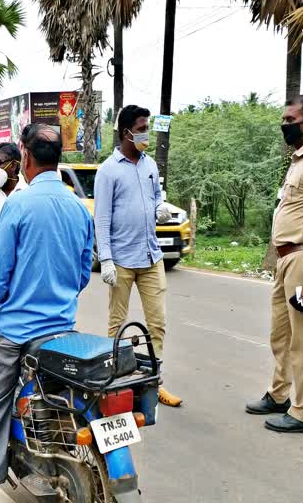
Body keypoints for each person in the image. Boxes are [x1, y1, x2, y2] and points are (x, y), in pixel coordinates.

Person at [0, 124, 94, 503]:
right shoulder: (78, 208)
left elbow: (0, 275)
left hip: (15, 331)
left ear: (24, 155)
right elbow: (83, 273)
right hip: (61, 329)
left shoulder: (17, 205)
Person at [246, 95, 303, 434]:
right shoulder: (298, 160)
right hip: (285, 260)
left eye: (289, 119)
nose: (284, 125)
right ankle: (280, 394)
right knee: (280, 336)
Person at [93, 104, 182, 408]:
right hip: (120, 260)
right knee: (117, 325)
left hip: (150, 255)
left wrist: (160, 207)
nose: (146, 132)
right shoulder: (108, 171)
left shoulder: (149, 166)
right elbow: (102, 219)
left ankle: (154, 381)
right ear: (126, 132)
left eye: (147, 126)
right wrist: (105, 258)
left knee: (157, 323)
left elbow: (157, 197)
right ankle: (114, 382)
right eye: (142, 127)